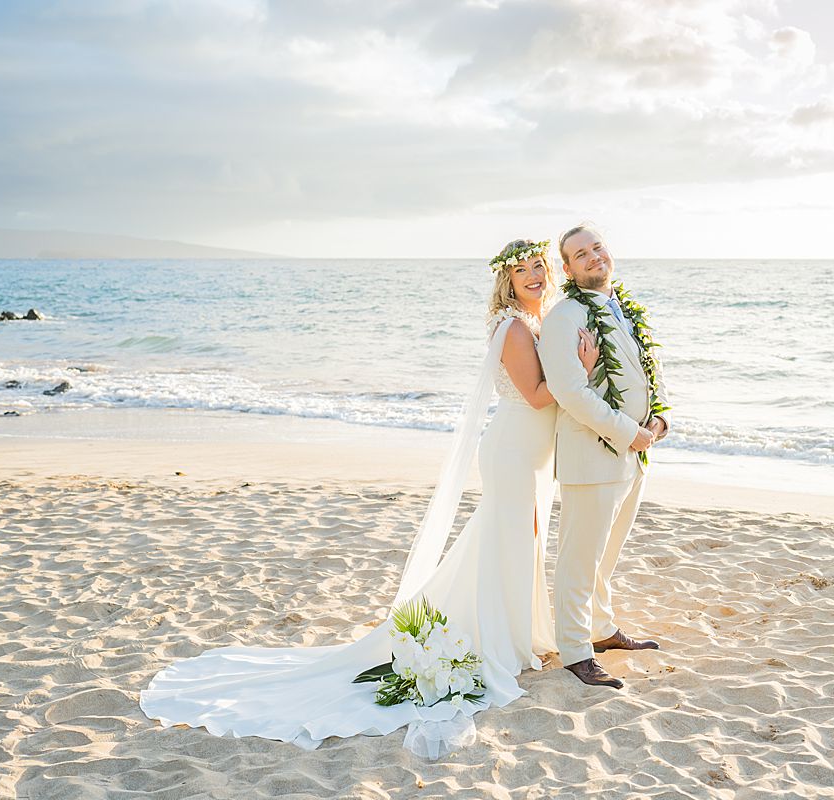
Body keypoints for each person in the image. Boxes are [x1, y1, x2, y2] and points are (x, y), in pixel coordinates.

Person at [139, 238, 598, 749]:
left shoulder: (541, 321)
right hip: (514, 448)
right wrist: (582, 368)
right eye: (521, 272)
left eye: (539, 266)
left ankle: (519, 637)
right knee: (506, 539)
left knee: (525, 540)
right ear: (507, 282)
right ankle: (500, 644)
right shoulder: (513, 327)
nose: (533, 276)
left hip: (534, 453)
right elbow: (536, 397)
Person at [537, 224, 671, 689]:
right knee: (579, 556)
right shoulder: (563, 317)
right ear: (569, 268)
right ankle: (575, 651)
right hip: (594, 454)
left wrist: (657, 422)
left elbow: (647, 371)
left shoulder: (624, 309)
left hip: (634, 453)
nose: (594, 256)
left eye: (597, 247)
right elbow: (570, 392)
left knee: (607, 554)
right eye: (581, 253)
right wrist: (626, 433)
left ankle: (602, 629)